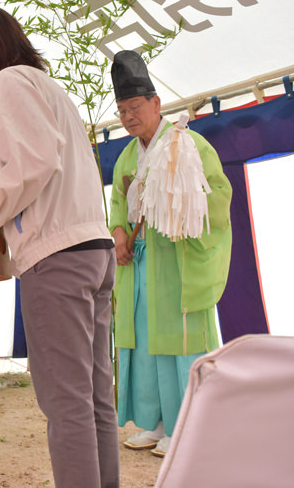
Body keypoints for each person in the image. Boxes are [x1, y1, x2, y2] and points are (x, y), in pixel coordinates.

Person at [0, 4, 119, 488]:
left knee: (67, 406)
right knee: (94, 400)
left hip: (58, 260)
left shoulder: (9, 82)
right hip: (93, 249)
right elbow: (44, 166)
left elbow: (30, 167)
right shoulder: (51, 88)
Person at [108, 50, 232, 458]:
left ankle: (187, 426)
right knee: (144, 343)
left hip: (177, 261)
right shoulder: (127, 156)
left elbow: (219, 196)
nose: (128, 117)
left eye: (135, 107)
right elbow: (117, 204)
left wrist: (182, 212)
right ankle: (153, 423)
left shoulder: (189, 144)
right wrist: (119, 233)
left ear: (156, 104)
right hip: (141, 263)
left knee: (177, 345)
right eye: (123, 109)